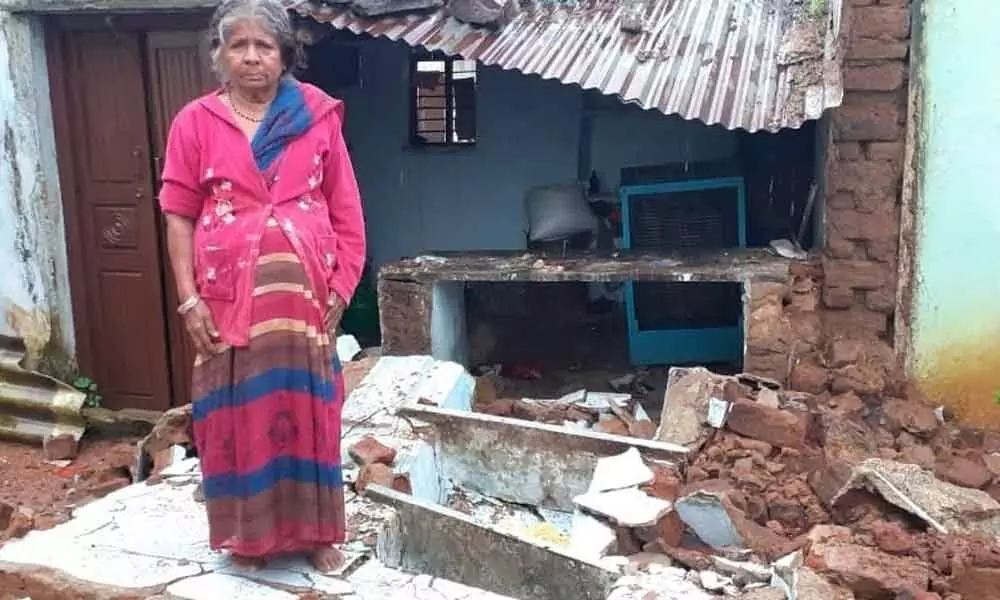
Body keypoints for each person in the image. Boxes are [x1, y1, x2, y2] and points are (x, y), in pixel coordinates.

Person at [158, 0, 365, 573]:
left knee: (312, 414)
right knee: (238, 417)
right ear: (220, 56)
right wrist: (188, 298)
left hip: (305, 302)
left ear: (284, 55)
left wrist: (342, 286)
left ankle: (320, 534)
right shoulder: (195, 122)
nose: (252, 57)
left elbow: (345, 207)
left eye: (264, 46)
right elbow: (178, 212)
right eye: (238, 45)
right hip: (227, 300)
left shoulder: (317, 115)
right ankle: (249, 540)